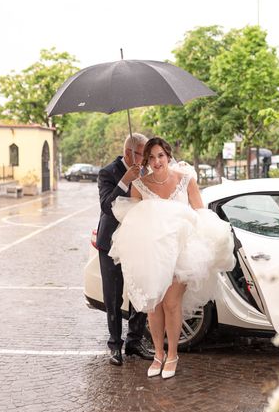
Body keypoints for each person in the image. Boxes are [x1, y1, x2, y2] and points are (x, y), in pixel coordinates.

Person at [109, 137, 235, 379]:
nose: (157, 162)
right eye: (151, 157)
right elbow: (132, 220)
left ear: (168, 156)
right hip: (153, 254)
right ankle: (158, 354)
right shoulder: (140, 184)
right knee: (154, 306)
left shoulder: (185, 180)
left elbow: (200, 212)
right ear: (146, 160)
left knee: (171, 303)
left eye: (161, 156)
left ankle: (173, 354)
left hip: (181, 253)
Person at [96, 133, 154, 366]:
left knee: (139, 291)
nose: (146, 159)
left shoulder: (146, 172)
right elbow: (106, 205)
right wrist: (125, 181)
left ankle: (135, 340)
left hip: (138, 242)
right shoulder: (107, 173)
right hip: (111, 244)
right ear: (130, 153)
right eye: (143, 154)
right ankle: (114, 345)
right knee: (113, 295)